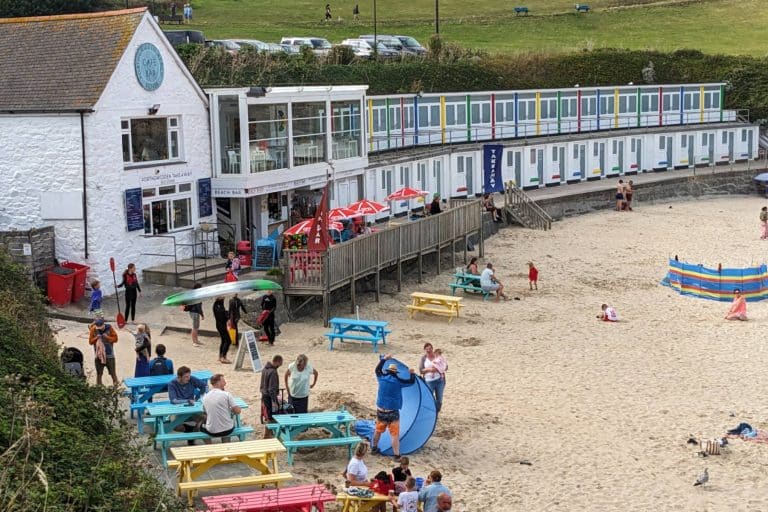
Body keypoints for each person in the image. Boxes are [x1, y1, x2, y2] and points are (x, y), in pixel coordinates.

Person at [372, 355, 416, 462]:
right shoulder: (398, 381)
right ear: (396, 373)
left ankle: (374, 448)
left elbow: (377, 369)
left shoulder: (381, 378)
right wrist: (412, 373)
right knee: (394, 435)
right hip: (392, 412)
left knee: (378, 431)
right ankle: (396, 456)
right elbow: (411, 382)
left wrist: (384, 359)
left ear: (387, 371)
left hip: (381, 410)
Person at [168, 366, 208, 444]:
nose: (188, 378)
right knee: (175, 426)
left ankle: (192, 436)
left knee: (205, 419)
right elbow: (173, 400)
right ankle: (189, 430)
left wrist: (197, 397)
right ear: (179, 377)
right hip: (177, 409)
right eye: (186, 377)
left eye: (189, 376)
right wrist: (187, 401)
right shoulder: (172, 384)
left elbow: (205, 386)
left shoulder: (191, 379)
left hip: (191, 407)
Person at [201, 374, 241, 444]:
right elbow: (238, 411)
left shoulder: (205, 397)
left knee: (199, 425)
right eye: (223, 381)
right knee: (227, 423)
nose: (225, 383)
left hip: (212, 431)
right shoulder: (226, 394)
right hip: (228, 430)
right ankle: (226, 444)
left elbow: (205, 413)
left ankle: (209, 445)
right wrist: (232, 409)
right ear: (218, 382)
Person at [88, 315, 118, 386]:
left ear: (103, 324)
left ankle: (116, 387)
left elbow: (116, 339)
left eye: (101, 327)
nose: (99, 328)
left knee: (113, 373)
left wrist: (107, 337)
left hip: (109, 355)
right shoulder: (93, 329)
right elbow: (90, 342)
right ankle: (99, 388)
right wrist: (96, 338)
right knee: (99, 374)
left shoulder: (109, 328)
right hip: (98, 356)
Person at [260, 355, 283, 438]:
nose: (281, 365)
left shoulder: (264, 369)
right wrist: (275, 401)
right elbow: (271, 389)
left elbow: (262, 385)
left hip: (264, 395)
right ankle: (267, 435)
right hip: (269, 397)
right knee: (271, 416)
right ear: (277, 361)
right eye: (281, 363)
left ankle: (269, 433)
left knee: (268, 415)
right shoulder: (273, 372)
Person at [419, 343, 447, 414]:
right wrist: (429, 370)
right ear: (424, 350)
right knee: (430, 398)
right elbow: (421, 370)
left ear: (432, 348)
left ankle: (436, 412)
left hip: (440, 381)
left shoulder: (438, 356)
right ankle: (432, 412)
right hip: (429, 381)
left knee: (439, 399)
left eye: (430, 349)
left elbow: (446, 367)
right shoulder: (423, 358)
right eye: (427, 349)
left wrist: (438, 369)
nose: (428, 350)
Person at [212, 297, 232, 364]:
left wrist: (227, 314)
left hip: (222, 325)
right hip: (220, 325)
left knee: (223, 340)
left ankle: (220, 356)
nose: (224, 297)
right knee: (228, 340)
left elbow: (223, 313)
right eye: (222, 297)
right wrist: (227, 316)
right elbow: (220, 316)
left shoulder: (220, 304)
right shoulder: (217, 305)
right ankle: (223, 357)